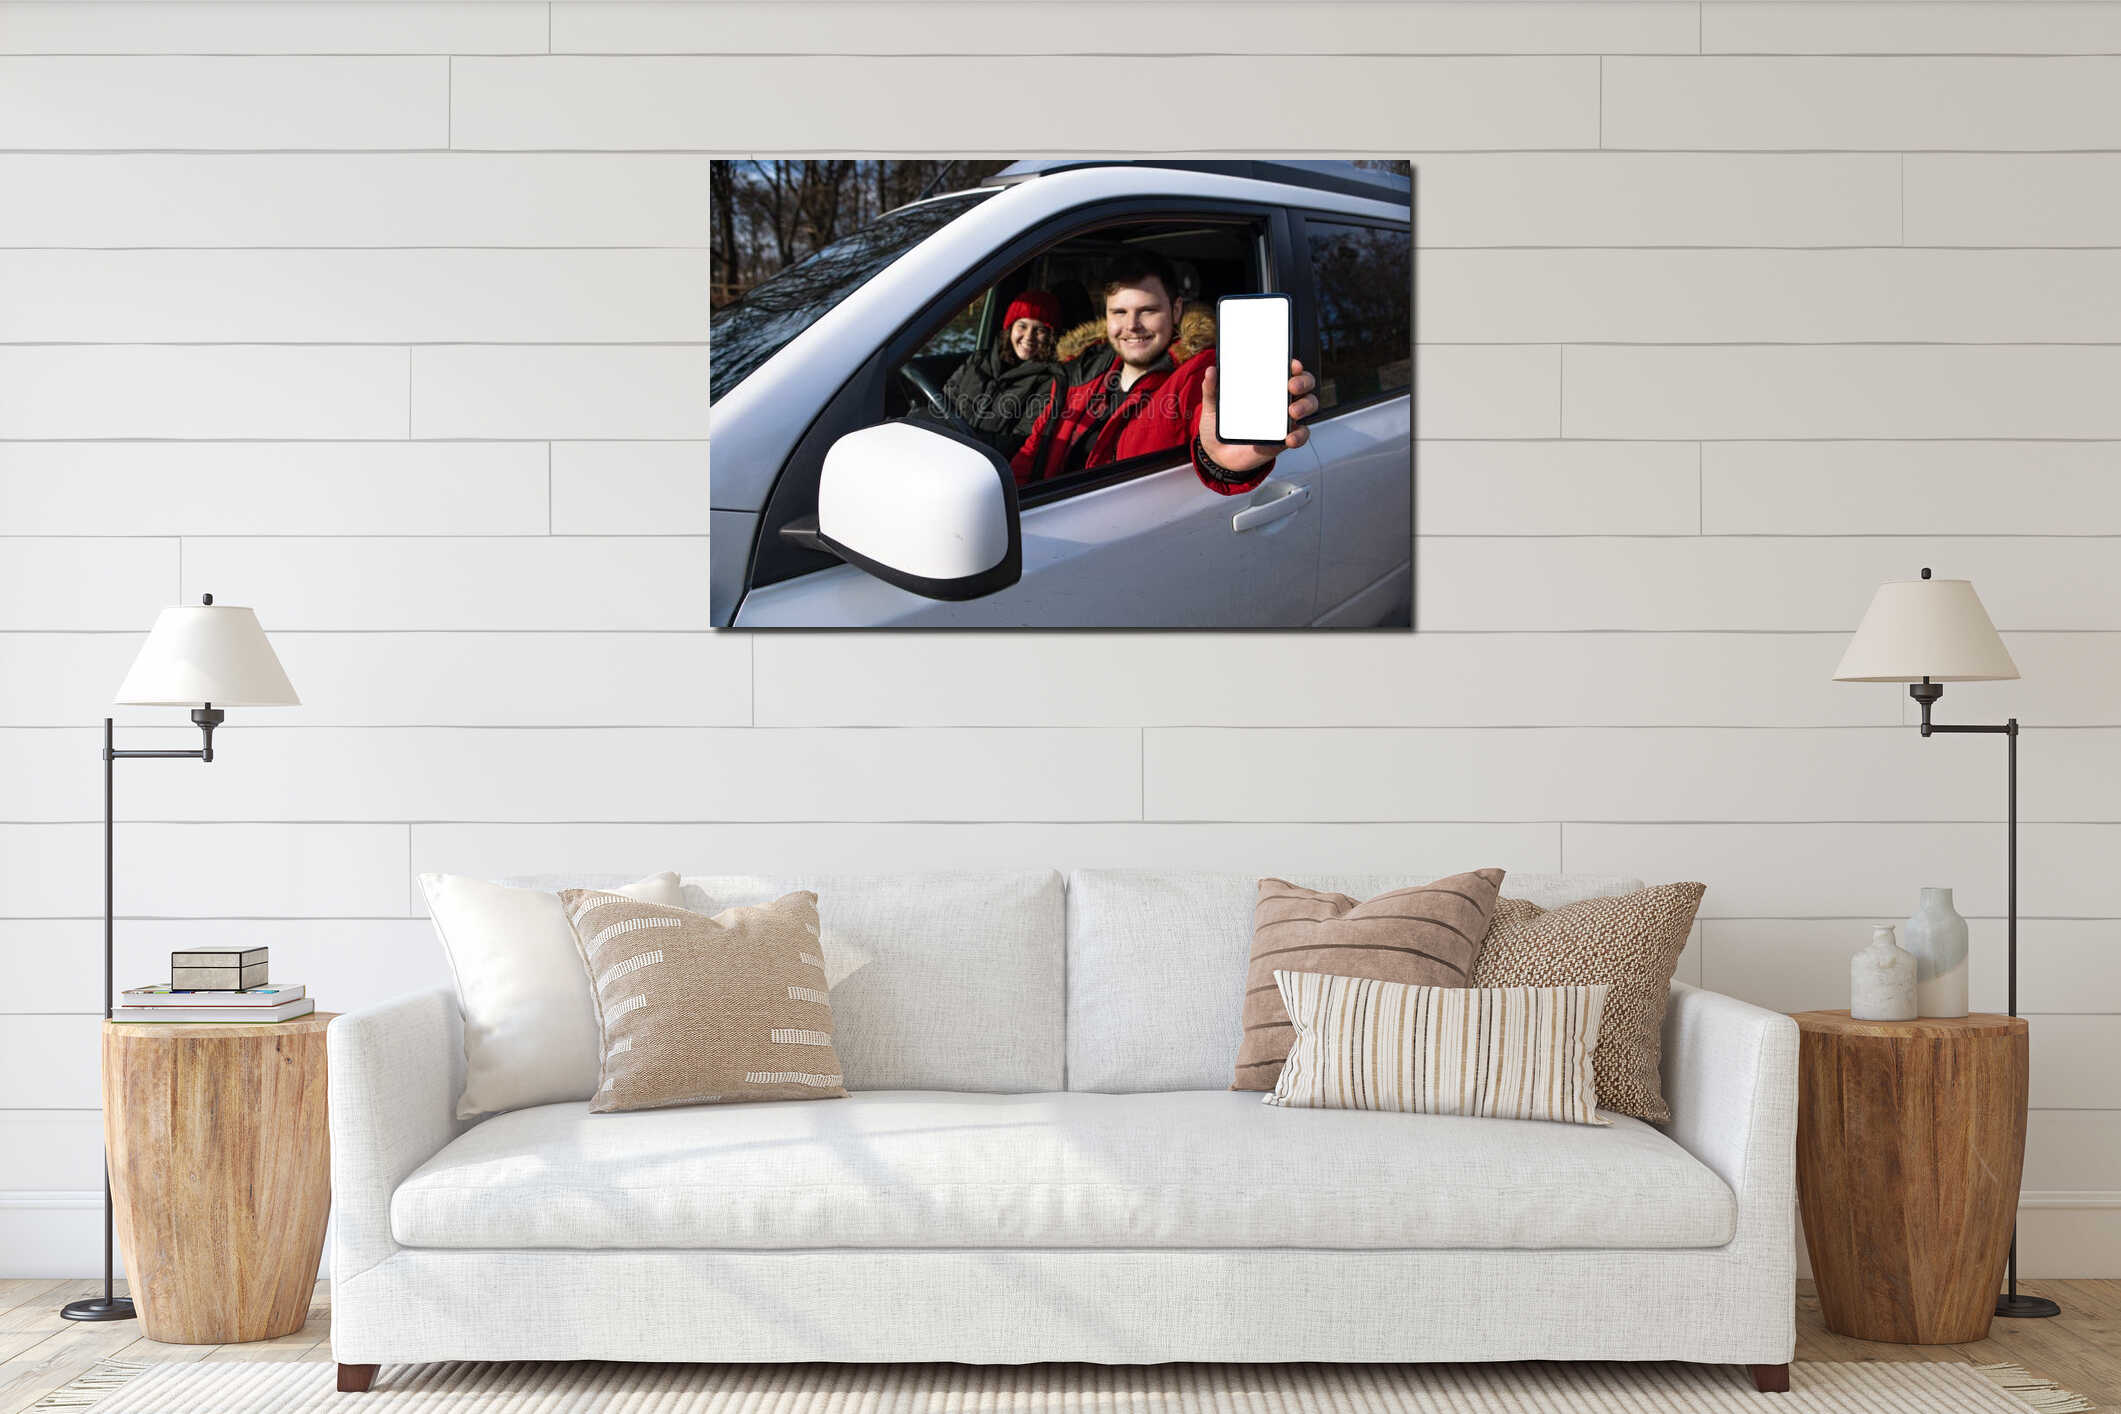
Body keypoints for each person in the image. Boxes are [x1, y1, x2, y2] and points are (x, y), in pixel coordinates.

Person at [1010, 252, 1316, 497]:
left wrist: (1223, 463)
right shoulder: (1079, 372)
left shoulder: (1200, 374)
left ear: (1177, 310)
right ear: (1105, 316)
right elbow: (1030, 455)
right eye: (1119, 312)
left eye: (1148, 310)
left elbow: (1208, 431)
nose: (1132, 325)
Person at [937, 291, 1064, 458]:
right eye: (1022, 326)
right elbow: (943, 404)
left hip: (984, 465)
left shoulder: (1048, 382)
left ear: (1050, 336)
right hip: (943, 451)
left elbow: (1020, 441)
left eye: (1039, 329)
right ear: (1010, 327)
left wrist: (964, 448)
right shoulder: (978, 360)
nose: (1028, 337)